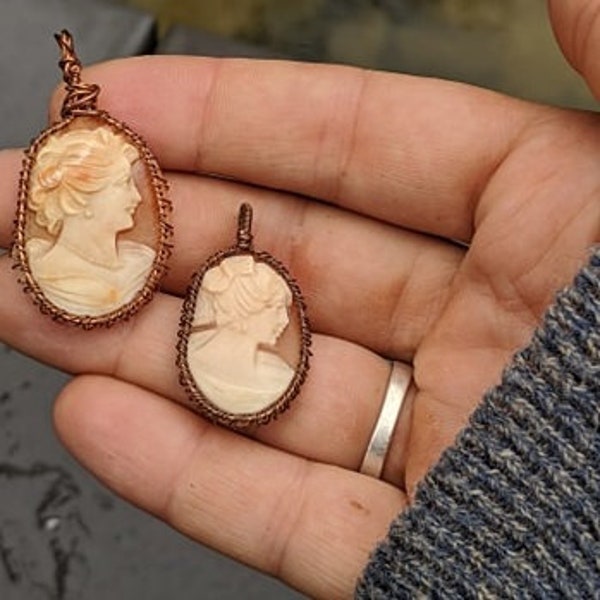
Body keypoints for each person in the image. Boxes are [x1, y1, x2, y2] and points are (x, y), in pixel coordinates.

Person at [0, 0, 597, 597]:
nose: (135, 202)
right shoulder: (76, 274)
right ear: (76, 199)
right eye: (118, 189)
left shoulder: (138, 267)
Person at [26, 126, 155, 316]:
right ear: (81, 198)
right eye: (124, 183)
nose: (137, 197)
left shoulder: (140, 261)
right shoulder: (49, 274)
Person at [188, 254, 294, 414]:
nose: (285, 321)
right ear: (242, 309)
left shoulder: (280, 377)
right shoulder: (196, 360)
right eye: (277, 308)